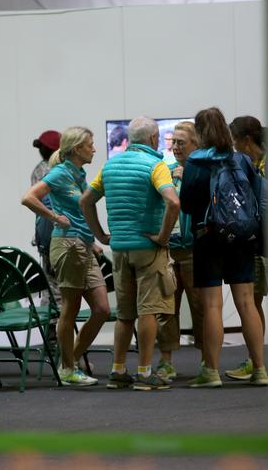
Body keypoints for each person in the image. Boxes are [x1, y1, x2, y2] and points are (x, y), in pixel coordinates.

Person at [80, 116, 180, 391]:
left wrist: (99, 234)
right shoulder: (156, 165)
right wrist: (162, 236)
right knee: (148, 310)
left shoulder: (110, 166)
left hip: (120, 249)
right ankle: (145, 373)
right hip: (148, 249)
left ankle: (118, 370)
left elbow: (85, 200)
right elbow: (173, 202)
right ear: (151, 139)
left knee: (125, 313)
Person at [180, 107, 268, 387]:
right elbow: (256, 196)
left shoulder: (195, 162)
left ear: (199, 132)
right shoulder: (241, 160)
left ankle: (211, 372)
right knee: (247, 303)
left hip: (209, 238)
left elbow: (187, 204)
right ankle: (260, 370)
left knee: (212, 305)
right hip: (243, 238)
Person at [21, 126, 110, 386]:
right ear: (75, 149)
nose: (94, 149)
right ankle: (69, 367)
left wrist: (94, 239)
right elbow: (28, 198)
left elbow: (83, 211)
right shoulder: (59, 172)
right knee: (69, 308)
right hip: (67, 245)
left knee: (102, 308)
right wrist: (54, 217)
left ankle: (68, 361)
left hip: (83, 244)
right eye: (90, 144)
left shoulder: (79, 174)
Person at [155, 121, 204, 381]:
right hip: (168, 251)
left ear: (196, 144)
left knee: (202, 309)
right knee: (166, 309)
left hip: (197, 251)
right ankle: (166, 362)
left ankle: (209, 362)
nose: (175, 147)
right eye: (173, 142)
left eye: (181, 142)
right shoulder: (164, 171)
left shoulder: (206, 172)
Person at [226, 115, 268, 380]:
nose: (233, 148)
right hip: (257, 243)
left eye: (234, 142)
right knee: (254, 301)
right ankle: (255, 362)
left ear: (245, 140)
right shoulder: (252, 163)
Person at [30, 130, 62, 307]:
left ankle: (51, 332)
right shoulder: (58, 170)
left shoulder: (37, 170)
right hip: (59, 232)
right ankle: (60, 332)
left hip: (43, 233)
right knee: (60, 288)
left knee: (51, 284)